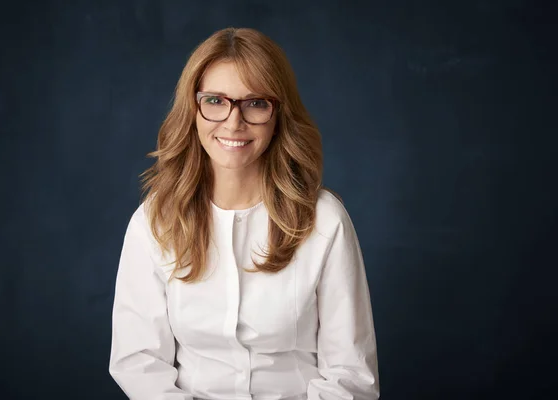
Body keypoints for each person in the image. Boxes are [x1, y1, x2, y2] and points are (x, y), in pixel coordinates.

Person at [109, 27, 379, 400]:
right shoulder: (154, 221)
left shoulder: (325, 220)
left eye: (255, 103)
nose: (233, 122)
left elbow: (350, 375)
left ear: (278, 113)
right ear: (194, 108)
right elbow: (139, 363)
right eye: (216, 101)